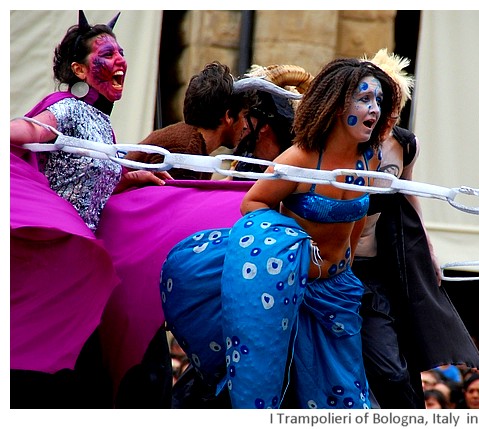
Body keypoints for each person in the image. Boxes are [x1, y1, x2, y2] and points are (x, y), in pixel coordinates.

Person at [159, 57, 401, 408]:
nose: (374, 109)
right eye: (364, 99)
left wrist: (347, 262)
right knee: (273, 388)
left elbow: (358, 215)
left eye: (378, 101)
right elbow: (252, 204)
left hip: (337, 294)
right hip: (286, 289)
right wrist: (293, 246)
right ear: (336, 106)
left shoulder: (370, 160)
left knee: (344, 396)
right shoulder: (299, 160)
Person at [10, 10, 170, 408]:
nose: (120, 61)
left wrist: (127, 179)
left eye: (121, 53)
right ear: (80, 70)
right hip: (57, 256)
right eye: (107, 54)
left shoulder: (102, 123)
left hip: (81, 263)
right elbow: (32, 129)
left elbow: (82, 178)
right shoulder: (67, 108)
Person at [352, 48, 479, 409]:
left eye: (392, 104)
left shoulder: (405, 145)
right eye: (377, 101)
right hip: (336, 267)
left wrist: (428, 250)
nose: (383, 111)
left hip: (378, 270)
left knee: (395, 369)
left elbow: (411, 200)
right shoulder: (345, 145)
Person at [123, 61, 258, 180]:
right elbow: (174, 207)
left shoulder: (193, 146)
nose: (246, 125)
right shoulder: (185, 151)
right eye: (244, 116)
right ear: (228, 116)